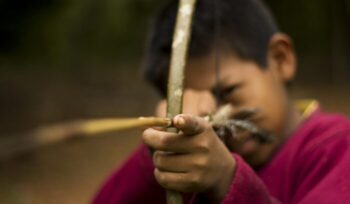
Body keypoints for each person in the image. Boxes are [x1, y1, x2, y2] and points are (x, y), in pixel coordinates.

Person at [92, 0, 350, 203]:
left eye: (228, 91)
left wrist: (227, 181)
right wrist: (160, 152)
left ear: (281, 59)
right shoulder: (192, 167)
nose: (213, 116)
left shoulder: (338, 146)